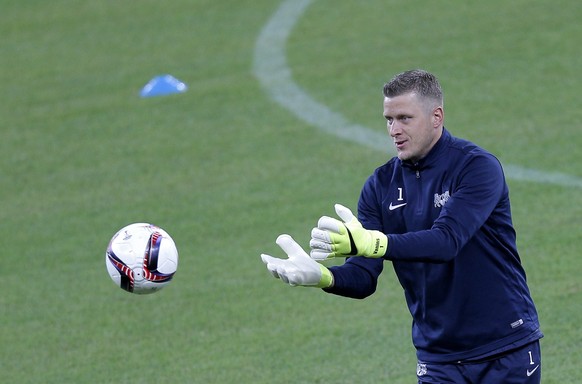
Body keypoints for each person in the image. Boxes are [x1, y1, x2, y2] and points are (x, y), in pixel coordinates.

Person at [260, 69, 543, 383]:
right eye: (388, 119)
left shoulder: (476, 167)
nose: (393, 130)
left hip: (504, 347)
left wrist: (375, 243)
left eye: (404, 118)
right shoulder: (380, 186)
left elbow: (446, 241)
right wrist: (323, 277)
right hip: (438, 358)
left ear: (436, 116)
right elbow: (363, 277)